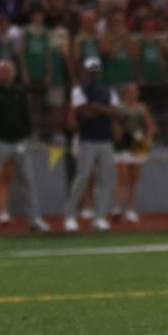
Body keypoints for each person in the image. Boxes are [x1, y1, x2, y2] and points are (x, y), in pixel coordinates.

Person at [0, 60, 51, 235]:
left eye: (7, 71)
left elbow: (26, 116)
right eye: (1, 71)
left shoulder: (19, 92)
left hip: (20, 142)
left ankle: (33, 219)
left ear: (13, 73)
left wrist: (28, 136)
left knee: (28, 181)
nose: (4, 74)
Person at [63, 57, 119, 233]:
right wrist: (104, 110)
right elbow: (84, 113)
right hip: (87, 139)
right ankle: (70, 215)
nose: (93, 74)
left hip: (105, 139)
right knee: (82, 178)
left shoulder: (108, 90)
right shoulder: (79, 90)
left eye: (96, 71)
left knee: (105, 179)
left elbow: (116, 112)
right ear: (86, 72)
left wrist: (98, 108)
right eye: (91, 71)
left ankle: (100, 217)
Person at [111, 82, 158, 223]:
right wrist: (117, 133)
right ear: (125, 93)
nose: (132, 93)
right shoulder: (119, 108)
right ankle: (117, 207)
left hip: (137, 144)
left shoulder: (141, 108)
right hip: (123, 145)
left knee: (133, 179)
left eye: (135, 91)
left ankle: (130, 209)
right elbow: (115, 125)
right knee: (122, 177)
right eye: (130, 91)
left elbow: (150, 126)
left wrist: (147, 138)